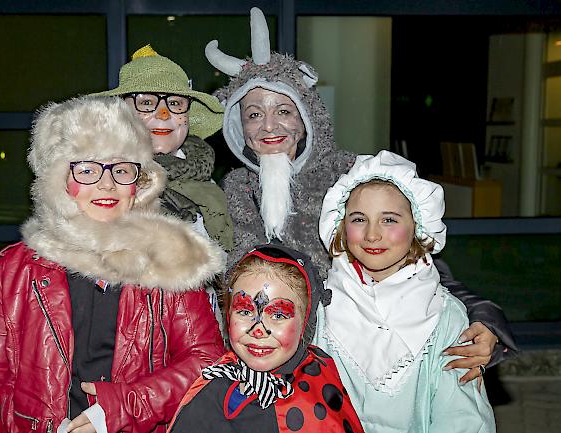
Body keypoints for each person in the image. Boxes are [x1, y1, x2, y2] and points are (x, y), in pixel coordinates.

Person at [205, 6, 517, 382]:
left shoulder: (351, 177)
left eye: (283, 110)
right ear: (238, 127)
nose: (268, 125)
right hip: (258, 365)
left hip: (346, 364)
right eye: (253, 114)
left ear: (307, 117)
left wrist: (483, 317)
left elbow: (417, 261)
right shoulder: (231, 192)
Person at [0, 96, 226, 433]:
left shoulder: (168, 258)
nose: (106, 184)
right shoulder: (19, 269)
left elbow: (206, 362)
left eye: (120, 169)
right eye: (87, 169)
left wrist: (124, 406)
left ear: (140, 183)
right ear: (60, 182)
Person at [315, 150, 495, 432]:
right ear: (340, 224)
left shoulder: (445, 316)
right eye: (359, 219)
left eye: (389, 220)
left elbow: (461, 418)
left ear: (418, 226)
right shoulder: (320, 307)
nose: (372, 235)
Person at [167, 244, 365, 433]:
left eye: (278, 315)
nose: (258, 330)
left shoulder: (317, 386)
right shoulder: (213, 385)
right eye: (244, 311)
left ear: (305, 323)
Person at [93, 44, 233, 252]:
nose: (163, 114)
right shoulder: (97, 180)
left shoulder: (207, 181)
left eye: (175, 103)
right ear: (121, 113)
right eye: (147, 102)